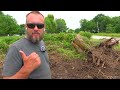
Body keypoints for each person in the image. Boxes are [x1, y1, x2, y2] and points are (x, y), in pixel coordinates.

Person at [2, 11, 51, 79]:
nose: (36, 28)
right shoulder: (15, 48)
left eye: (40, 26)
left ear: (44, 27)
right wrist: (26, 69)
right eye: (31, 25)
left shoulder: (41, 42)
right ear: (26, 26)